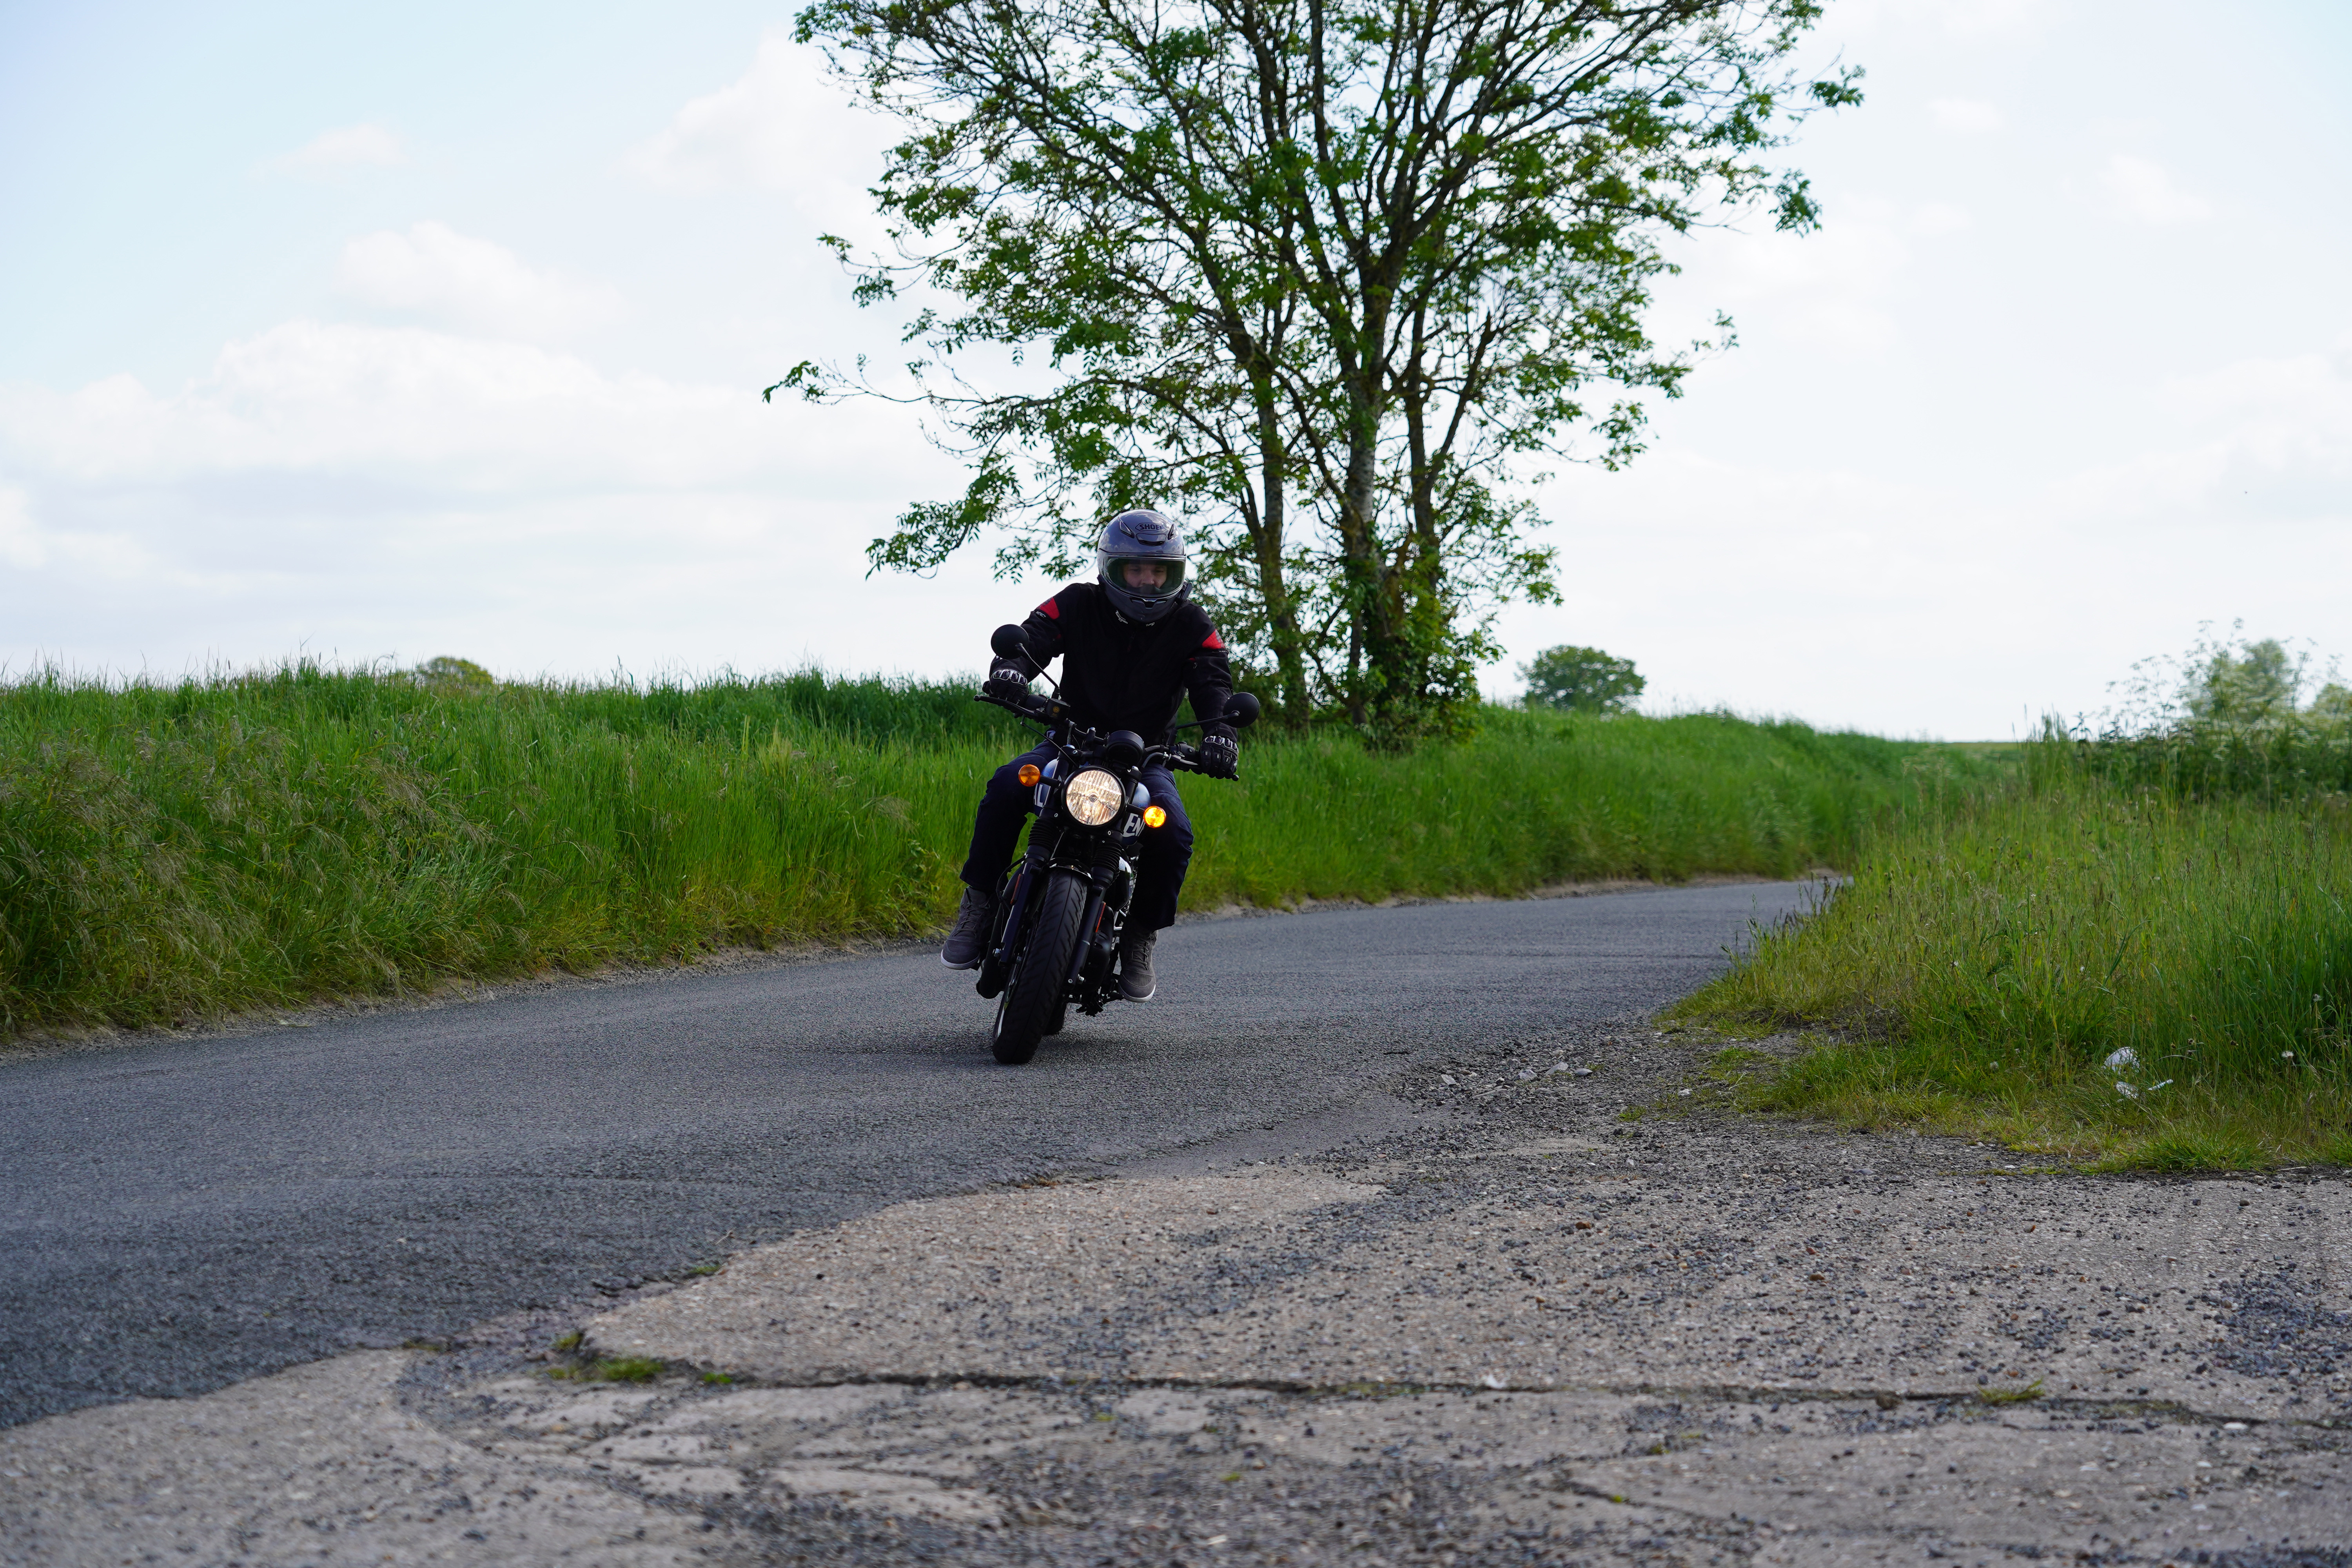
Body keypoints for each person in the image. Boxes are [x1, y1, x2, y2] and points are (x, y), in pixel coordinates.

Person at [940, 508, 1239, 1000]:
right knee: (1006, 786)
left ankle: (1141, 935)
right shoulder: (1078, 602)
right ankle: (977, 902)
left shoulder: (1192, 624)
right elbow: (1032, 636)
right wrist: (1011, 669)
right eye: (1136, 570)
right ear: (1113, 569)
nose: (1147, 581)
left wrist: (1221, 733)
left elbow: (1214, 683)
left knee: (1175, 833)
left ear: (1174, 572)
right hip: (1069, 743)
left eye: (1158, 570)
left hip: (1147, 759)